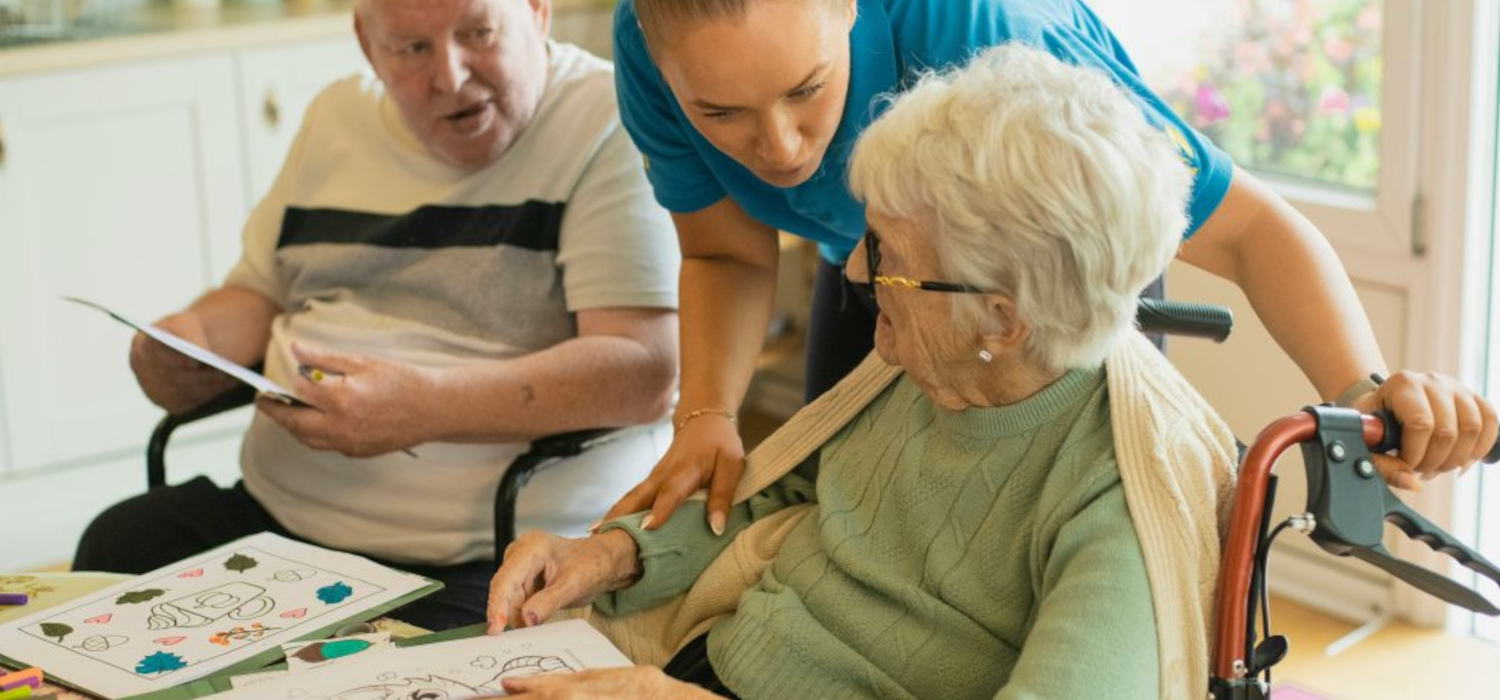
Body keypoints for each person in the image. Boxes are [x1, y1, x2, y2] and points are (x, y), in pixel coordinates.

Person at [486, 45, 1261, 699]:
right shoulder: (932, 368)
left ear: (1002, 318)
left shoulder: (1119, 494)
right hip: (707, 667)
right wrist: (612, 555)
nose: (856, 268)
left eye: (888, 254)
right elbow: (779, 493)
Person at [599, 0, 1500, 535]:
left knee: (1074, 531)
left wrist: (1361, 390)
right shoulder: (648, 43)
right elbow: (723, 250)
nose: (781, 147)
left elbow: (1251, 229)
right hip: (876, 262)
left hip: (1060, 253)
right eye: (721, 114)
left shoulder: (990, 33)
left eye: (806, 89)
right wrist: (706, 415)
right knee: (845, 511)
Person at [72, 0, 681, 631]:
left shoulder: (606, 119)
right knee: (115, 552)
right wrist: (187, 341)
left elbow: (643, 371)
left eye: (479, 32)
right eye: (412, 49)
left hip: (493, 557)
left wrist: (426, 408)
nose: (449, 75)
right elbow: (259, 293)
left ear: (538, 12)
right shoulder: (337, 115)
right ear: (368, 44)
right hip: (278, 523)